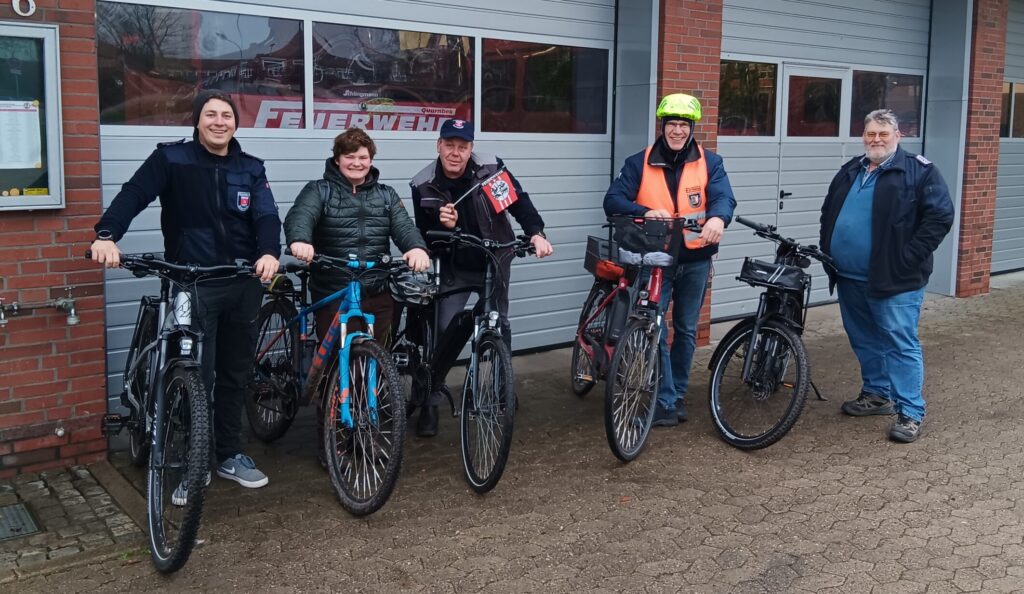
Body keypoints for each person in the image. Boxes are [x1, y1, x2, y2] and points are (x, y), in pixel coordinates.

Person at [90, 90, 281, 498]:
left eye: (226, 115)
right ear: (196, 121)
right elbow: (132, 195)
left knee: (234, 375)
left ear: (235, 123)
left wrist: (269, 252)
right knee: (195, 373)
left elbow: (267, 214)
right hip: (191, 283)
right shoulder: (171, 160)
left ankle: (229, 453)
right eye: (210, 114)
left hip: (242, 282)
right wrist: (107, 235)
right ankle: (190, 460)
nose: (218, 121)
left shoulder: (250, 168)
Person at [284, 128, 430, 465]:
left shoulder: (386, 195)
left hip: (376, 291)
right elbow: (300, 217)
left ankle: (366, 433)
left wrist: (417, 248)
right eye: (350, 156)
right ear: (338, 159)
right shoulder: (318, 191)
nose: (357, 162)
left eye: (363, 157)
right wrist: (300, 240)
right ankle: (331, 440)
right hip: (333, 287)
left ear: (371, 160)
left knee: (371, 367)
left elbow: (404, 228)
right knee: (336, 365)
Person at [410, 118, 554, 437]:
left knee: (498, 324)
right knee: (444, 330)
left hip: (494, 260)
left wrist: (536, 233)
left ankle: (503, 387)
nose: (455, 153)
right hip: (453, 265)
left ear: (471, 149)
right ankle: (430, 401)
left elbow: (519, 203)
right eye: (449, 145)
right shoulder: (422, 183)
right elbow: (422, 238)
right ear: (439, 145)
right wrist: (443, 226)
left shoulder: (490, 169)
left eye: (462, 147)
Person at [819, 109, 954, 443]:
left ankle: (910, 412)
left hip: (895, 279)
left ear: (898, 136)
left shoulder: (919, 172)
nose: (875, 139)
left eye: (883, 133)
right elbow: (830, 211)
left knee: (898, 341)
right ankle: (877, 394)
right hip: (849, 275)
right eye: (870, 134)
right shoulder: (852, 169)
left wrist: (906, 258)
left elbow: (940, 217)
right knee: (864, 338)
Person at [603, 92, 736, 427]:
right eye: (672, 124)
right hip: (656, 257)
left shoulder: (710, 162)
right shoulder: (639, 161)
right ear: (662, 127)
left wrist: (719, 219)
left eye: (683, 124)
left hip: (696, 257)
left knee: (687, 329)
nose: (677, 130)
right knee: (655, 327)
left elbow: (724, 198)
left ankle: (675, 394)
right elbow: (613, 199)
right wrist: (645, 210)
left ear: (692, 128)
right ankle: (663, 399)